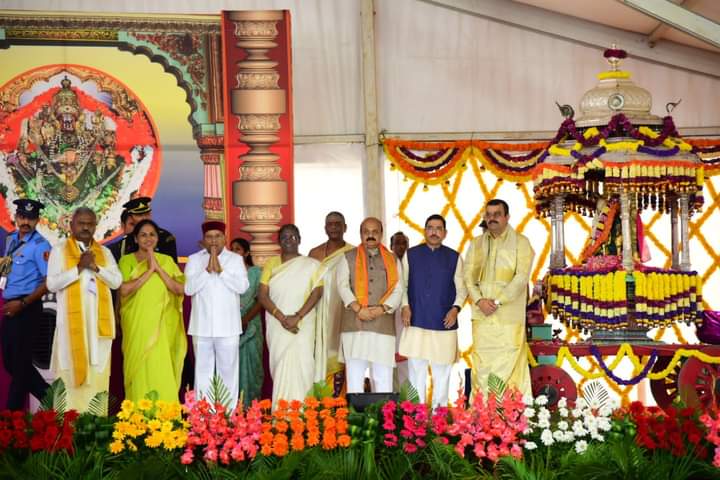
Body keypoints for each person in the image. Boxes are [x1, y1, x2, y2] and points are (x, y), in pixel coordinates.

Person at [47, 207, 122, 412]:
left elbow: (116, 281)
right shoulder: (59, 250)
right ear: (71, 225)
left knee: (97, 375)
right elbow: (52, 284)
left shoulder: (104, 252)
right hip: (70, 330)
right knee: (69, 375)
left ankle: (94, 426)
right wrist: (79, 267)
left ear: (96, 226)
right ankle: (67, 427)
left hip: (98, 330)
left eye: (90, 224)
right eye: (81, 223)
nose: (85, 227)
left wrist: (96, 268)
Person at [463, 199, 534, 397]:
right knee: (482, 367)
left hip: (508, 319)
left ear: (507, 217)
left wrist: (496, 301)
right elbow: (467, 277)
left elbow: (521, 277)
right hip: (482, 318)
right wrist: (479, 301)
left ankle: (510, 412)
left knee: (510, 370)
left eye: (497, 214)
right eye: (488, 214)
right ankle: (482, 411)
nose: (492, 218)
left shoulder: (521, 242)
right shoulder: (476, 244)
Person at [399, 214, 467, 407]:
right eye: (430, 228)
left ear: (445, 233)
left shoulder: (454, 257)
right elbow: (402, 285)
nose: (434, 232)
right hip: (416, 320)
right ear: (424, 231)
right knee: (416, 372)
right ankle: (416, 417)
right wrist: (405, 305)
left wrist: (455, 309)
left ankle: (439, 417)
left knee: (442, 373)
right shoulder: (411, 255)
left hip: (444, 322)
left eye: (438, 228)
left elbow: (462, 289)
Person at [118, 219, 186, 402]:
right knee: (139, 368)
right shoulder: (126, 260)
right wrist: (149, 271)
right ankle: (137, 415)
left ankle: (165, 415)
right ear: (136, 238)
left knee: (160, 365)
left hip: (162, 325)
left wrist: (158, 267)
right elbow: (124, 290)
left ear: (157, 238)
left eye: (152, 235)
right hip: (137, 324)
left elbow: (179, 289)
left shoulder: (167, 261)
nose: (148, 238)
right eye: (143, 235)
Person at [258, 224, 324, 407]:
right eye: (284, 237)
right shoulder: (271, 264)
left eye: (293, 236)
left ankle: (305, 413)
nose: (288, 240)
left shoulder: (312, 265)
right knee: (280, 366)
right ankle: (281, 414)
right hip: (277, 324)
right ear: (279, 241)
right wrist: (282, 318)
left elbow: (317, 292)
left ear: (299, 240)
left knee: (304, 365)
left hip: (303, 323)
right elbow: (262, 295)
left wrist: (297, 317)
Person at [185, 221, 248, 409]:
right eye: (209, 237)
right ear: (203, 239)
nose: (213, 241)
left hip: (228, 328)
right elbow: (188, 289)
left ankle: (228, 416)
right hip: (201, 328)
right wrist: (206, 271)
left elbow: (242, 287)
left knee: (228, 374)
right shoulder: (194, 260)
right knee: (202, 374)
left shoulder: (235, 260)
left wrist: (222, 271)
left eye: (217, 236)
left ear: (225, 238)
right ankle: (204, 418)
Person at [337, 217, 403, 393]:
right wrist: (358, 309)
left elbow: (398, 289)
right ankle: (356, 412)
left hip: (382, 325)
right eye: (366, 232)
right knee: (355, 376)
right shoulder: (347, 258)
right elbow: (342, 286)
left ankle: (383, 411)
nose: (370, 235)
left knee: (383, 377)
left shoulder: (393, 260)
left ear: (381, 234)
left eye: (375, 232)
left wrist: (382, 309)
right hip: (355, 324)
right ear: (360, 234)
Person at [0, 199, 51, 410]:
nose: (26, 222)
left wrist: (22, 303)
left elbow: (48, 282)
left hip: (27, 308)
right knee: (10, 363)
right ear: (16, 217)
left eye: (31, 218)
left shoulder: (41, 246)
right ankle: (50, 397)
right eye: (22, 217)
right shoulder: (11, 239)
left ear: (37, 220)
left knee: (20, 365)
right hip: (11, 306)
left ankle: (11, 419)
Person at [308, 212, 354, 392]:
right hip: (318, 308)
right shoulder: (314, 253)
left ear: (345, 227)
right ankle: (319, 398)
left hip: (342, 310)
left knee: (340, 351)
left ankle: (338, 399)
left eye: (338, 223)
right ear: (325, 228)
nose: (334, 227)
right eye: (330, 224)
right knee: (318, 350)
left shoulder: (353, 252)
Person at [230, 237, 263, 407]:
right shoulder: (226, 273)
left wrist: (245, 319)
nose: (234, 252)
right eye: (232, 249)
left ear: (247, 253)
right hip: (229, 325)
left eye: (238, 249)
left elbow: (261, 299)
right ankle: (232, 408)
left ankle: (251, 408)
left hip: (251, 324)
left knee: (252, 366)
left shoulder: (256, 272)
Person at [112, 197, 177, 263]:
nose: (144, 218)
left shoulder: (165, 237)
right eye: (139, 215)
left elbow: (172, 266)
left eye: (147, 214)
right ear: (131, 218)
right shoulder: (129, 239)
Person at [389, 230, 410, 390]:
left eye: (404, 243)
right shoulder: (386, 264)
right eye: (397, 243)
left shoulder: (413, 264)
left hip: (407, 318)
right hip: (389, 317)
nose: (401, 246)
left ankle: (408, 402)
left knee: (406, 365)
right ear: (391, 246)